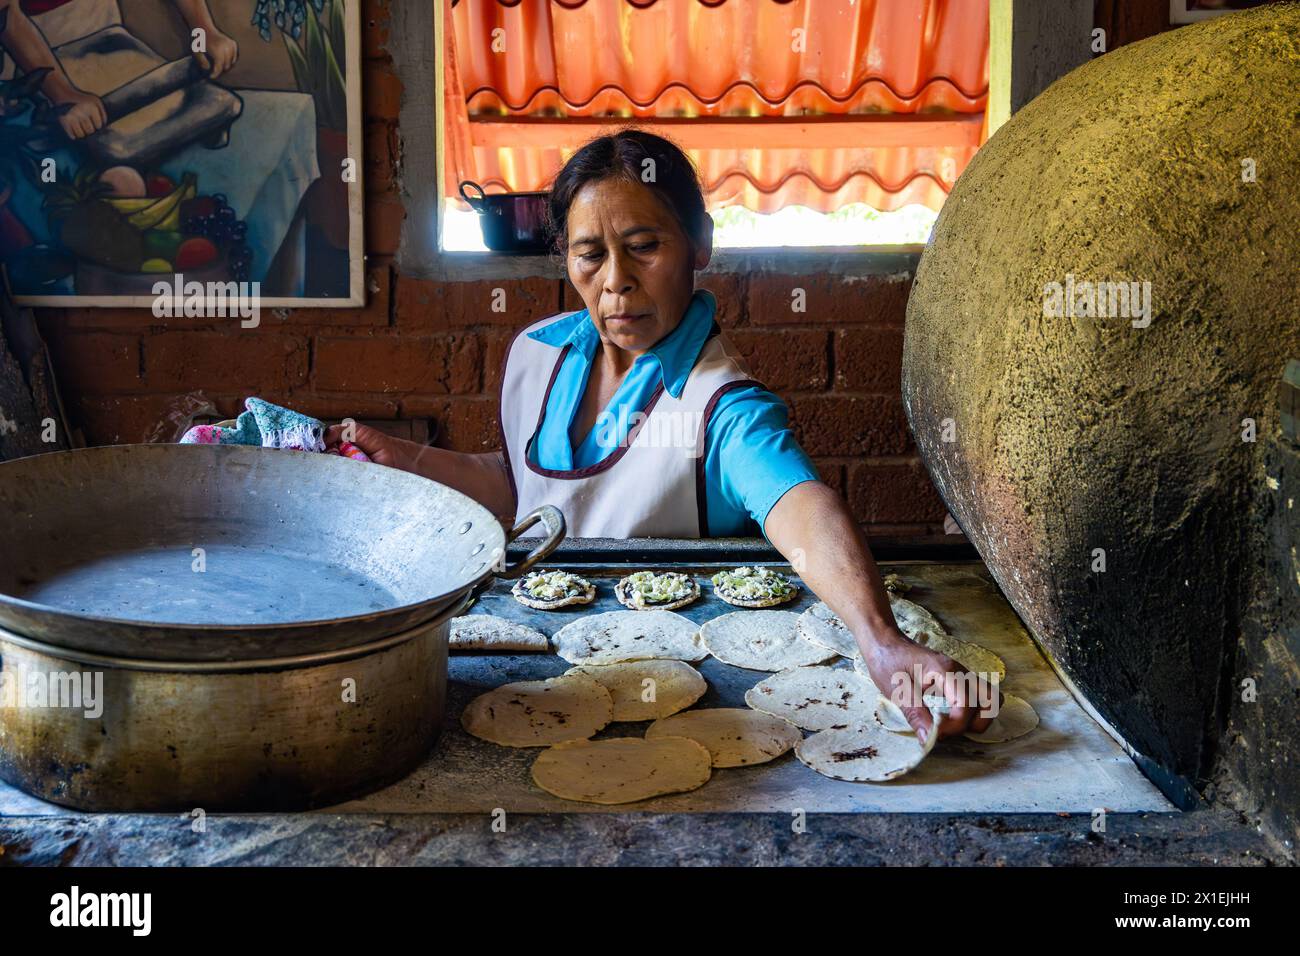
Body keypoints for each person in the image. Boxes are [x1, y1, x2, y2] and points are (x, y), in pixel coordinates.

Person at [330, 129, 998, 743]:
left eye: (644, 247)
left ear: (699, 243)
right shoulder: (537, 354)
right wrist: (409, 458)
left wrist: (880, 640)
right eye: (589, 254)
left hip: (681, 694)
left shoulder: (719, 403)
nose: (616, 280)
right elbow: (523, 495)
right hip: (546, 671)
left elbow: (798, 502)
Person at [0, 0, 238, 140]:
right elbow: (7, 15)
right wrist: (62, 94)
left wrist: (203, 29)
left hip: (101, 23)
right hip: (33, 52)